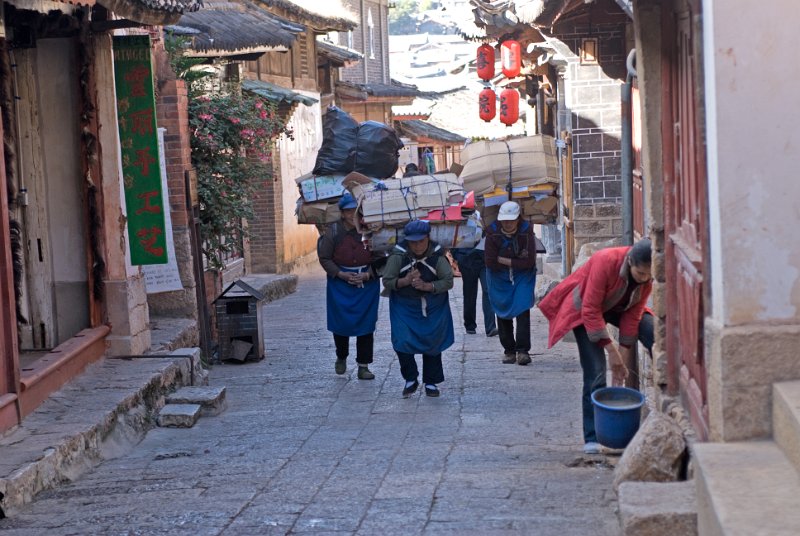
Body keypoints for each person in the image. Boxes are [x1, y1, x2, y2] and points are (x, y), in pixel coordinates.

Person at [539, 239, 654, 455]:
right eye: (640, 274)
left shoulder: (646, 280)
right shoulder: (605, 261)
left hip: (617, 306)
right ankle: (593, 436)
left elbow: (633, 315)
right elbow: (590, 310)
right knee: (596, 371)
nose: (644, 279)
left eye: (649, 276)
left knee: (651, 329)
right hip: (584, 308)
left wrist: (623, 353)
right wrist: (611, 352)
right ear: (630, 262)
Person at [382, 220, 454, 398]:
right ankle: (410, 378)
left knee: (433, 342)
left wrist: (428, 286)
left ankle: (431, 382)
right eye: (413, 242)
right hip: (404, 307)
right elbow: (387, 280)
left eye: (421, 241)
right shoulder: (398, 256)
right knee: (401, 341)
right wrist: (405, 281)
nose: (417, 245)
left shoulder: (438, 256)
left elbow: (448, 280)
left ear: (428, 238)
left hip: (433, 306)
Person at [317, 192, 382, 380]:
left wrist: (368, 274)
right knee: (341, 323)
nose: (352, 214)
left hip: (366, 285)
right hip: (340, 285)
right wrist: (341, 274)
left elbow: (379, 256)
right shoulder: (333, 232)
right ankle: (341, 356)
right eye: (348, 211)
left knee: (366, 325)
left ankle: (364, 365)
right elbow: (325, 258)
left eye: (355, 210)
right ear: (342, 213)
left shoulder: (369, 230)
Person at [484, 201, 537, 365]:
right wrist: (514, 261)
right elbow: (490, 262)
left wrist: (504, 260)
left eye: (511, 220)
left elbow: (528, 262)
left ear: (517, 218)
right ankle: (509, 350)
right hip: (498, 276)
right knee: (502, 308)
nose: (507, 223)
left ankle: (522, 351)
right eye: (504, 220)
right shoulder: (492, 233)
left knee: (522, 308)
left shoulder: (526, 231)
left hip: (522, 276)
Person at [451, 230, 498, 337]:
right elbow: (453, 236)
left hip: (484, 259)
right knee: (469, 293)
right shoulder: (461, 216)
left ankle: (490, 327)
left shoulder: (484, 216)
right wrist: (457, 256)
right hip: (466, 259)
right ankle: (470, 325)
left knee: (488, 290)